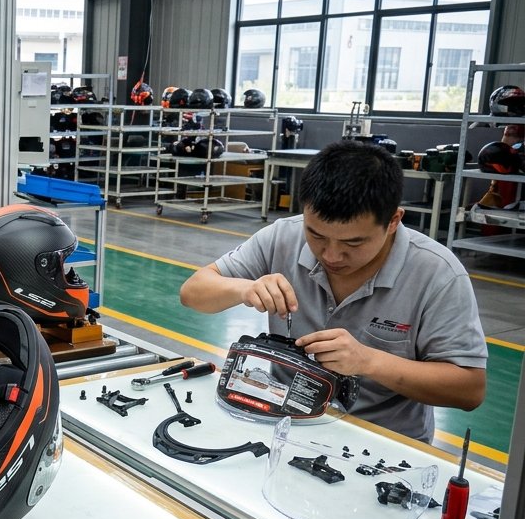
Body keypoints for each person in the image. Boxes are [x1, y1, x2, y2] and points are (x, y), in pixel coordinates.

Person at [179, 140, 487, 442]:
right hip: (286, 424)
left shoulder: (437, 273)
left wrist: (369, 362)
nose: (331, 256)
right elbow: (193, 292)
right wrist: (245, 288)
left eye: (353, 243)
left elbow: (469, 389)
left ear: (393, 220)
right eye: (316, 235)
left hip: (382, 443)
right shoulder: (282, 237)